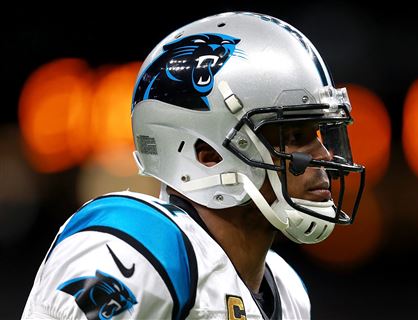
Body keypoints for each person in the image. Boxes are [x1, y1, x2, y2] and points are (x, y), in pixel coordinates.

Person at [22, 11, 365, 320]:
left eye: (318, 135)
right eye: (293, 135)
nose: (323, 156)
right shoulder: (139, 250)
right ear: (208, 154)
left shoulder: (288, 293)